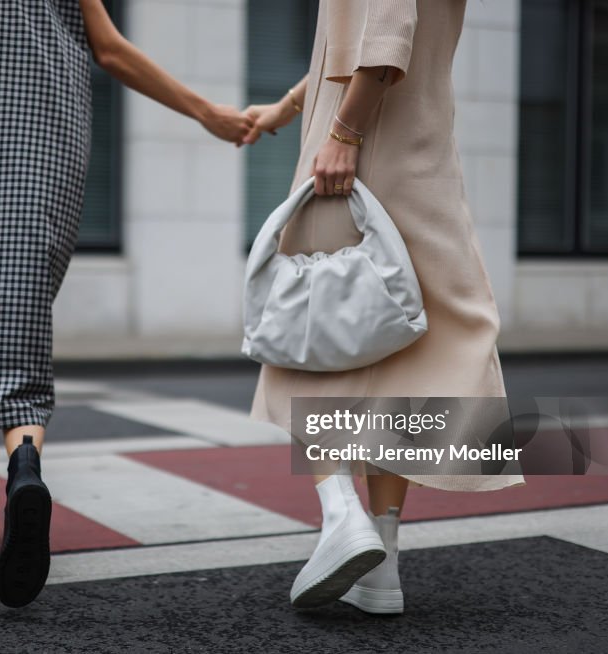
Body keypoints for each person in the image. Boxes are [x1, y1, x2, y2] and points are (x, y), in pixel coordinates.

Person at [0, 0, 253, 608]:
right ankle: (23, 465)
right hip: (41, 152)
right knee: (16, 319)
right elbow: (109, 47)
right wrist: (206, 112)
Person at [243, 0, 523, 612]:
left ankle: (341, 513)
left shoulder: (350, 132)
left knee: (311, 337)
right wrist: (286, 108)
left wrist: (342, 133)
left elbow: (386, 29)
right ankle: (383, 566)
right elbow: (353, 43)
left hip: (360, 142)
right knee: (401, 363)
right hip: (424, 155)